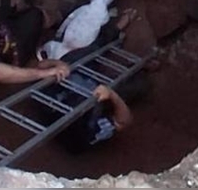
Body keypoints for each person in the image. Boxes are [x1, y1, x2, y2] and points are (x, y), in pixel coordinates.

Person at [45, 10, 148, 154]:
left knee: (81, 57)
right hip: (94, 92)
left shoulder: (50, 97)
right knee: (139, 86)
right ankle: (145, 66)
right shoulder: (87, 132)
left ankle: (116, 30)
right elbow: (123, 121)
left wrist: (56, 64)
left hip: (75, 79)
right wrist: (112, 95)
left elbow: (40, 67)